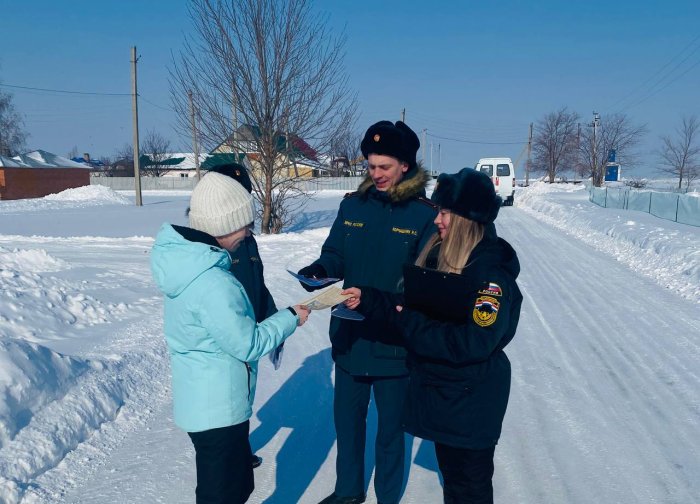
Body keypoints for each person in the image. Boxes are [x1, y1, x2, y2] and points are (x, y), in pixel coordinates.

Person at [342, 168, 523, 504]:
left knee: (468, 489)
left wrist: (409, 324)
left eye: (444, 213)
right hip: (445, 398)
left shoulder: (490, 278)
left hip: (470, 405)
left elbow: (473, 342)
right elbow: (414, 305)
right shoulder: (446, 258)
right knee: (455, 485)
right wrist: (368, 298)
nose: (437, 220)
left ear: (466, 219)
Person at [297, 120, 437, 504]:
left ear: (404, 166)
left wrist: (378, 299)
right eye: (370, 165)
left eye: (384, 167)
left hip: (394, 344)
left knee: (391, 433)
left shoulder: (425, 216)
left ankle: (387, 498)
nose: (375, 174)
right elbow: (336, 254)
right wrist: (320, 270)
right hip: (350, 338)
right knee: (348, 427)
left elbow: (423, 287)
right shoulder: (351, 206)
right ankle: (347, 494)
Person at [151, 172, 310, 504]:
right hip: (217, 410)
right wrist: (291, 318)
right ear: (223, 227)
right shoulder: (213, 283)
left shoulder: (189, 266)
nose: (249, 232)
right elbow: (248, 343)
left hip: (207, 403)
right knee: (222, 494)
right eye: (244, 225)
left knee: (237, 486)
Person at [208, 163, 283, 470]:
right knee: (224, 400)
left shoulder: (246, 238)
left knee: (243, 397)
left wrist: (273, 316)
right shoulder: (211, 242)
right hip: (227, 336)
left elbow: (257, 281)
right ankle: (224, 455)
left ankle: (239, 447)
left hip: (248, 333)